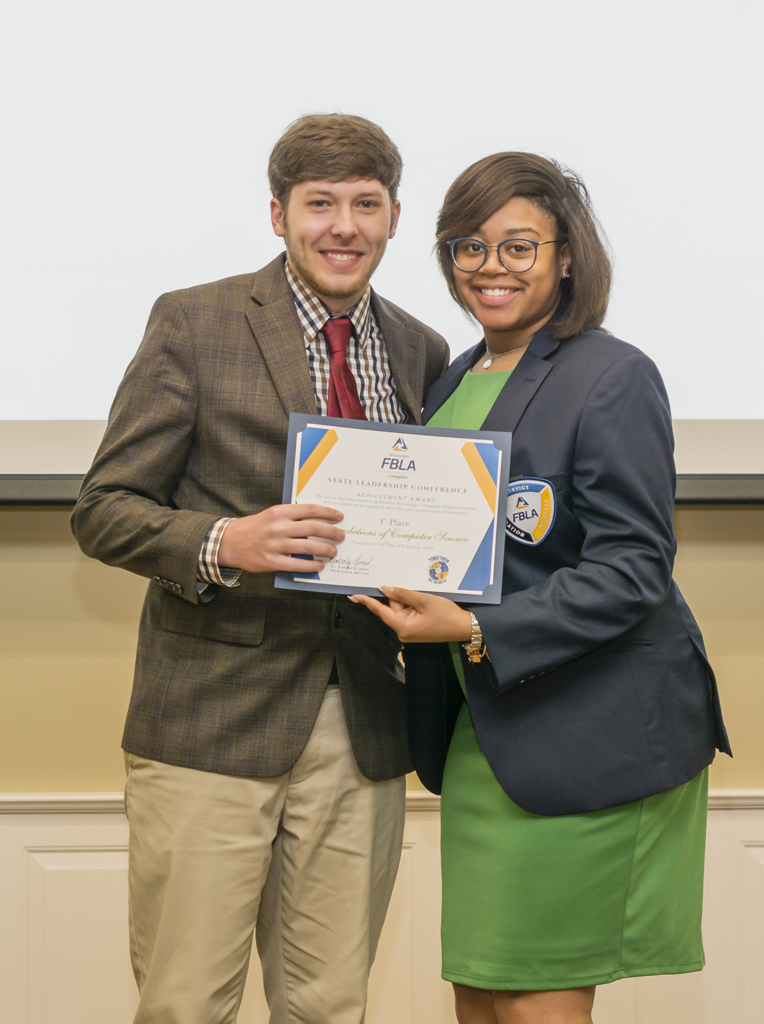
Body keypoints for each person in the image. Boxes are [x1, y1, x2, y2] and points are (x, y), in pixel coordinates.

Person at [70, 113, 449, 1024]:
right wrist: (221, 543)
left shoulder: (422, 349)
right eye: (320, 203)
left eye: (365, 203)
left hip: (361, 725)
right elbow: (103, 510)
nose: (343, 226)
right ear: (278, 214)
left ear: (396, 215)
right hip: (211, 719)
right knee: (186, 1003)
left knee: (330, 1005)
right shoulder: (194, 321)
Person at [351, 152, 731, 1024]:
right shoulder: (453, 377)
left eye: (519, 246)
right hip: (486, 739)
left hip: (582, 737)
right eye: (468, 247)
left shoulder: (611, 372)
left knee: (536, 1006)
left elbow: (635, 567)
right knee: (481, 998)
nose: (491, 268)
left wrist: (476, 628)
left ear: (567, 255)